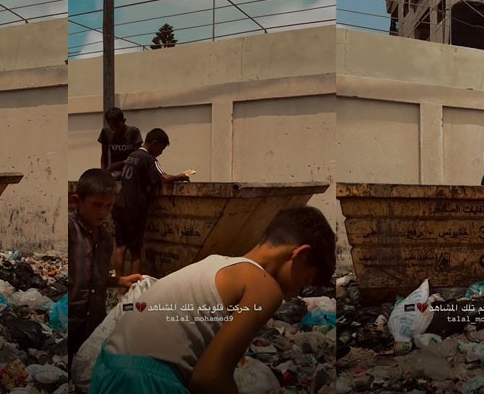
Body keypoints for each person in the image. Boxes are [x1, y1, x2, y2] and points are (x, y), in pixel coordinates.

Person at [90, 206, 337, 394]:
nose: (295, 293)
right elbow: (208, 378)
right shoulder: (264, 286)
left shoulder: (217, 263)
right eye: (305, 281)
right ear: (301, 254)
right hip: (145, 382)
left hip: (106, 369)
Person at [69, 168, 143, 374]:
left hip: (93, 323)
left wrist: (120, 281)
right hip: (70, 321)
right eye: (96, 205)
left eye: (108, 205)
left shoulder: (105, 237)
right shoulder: (70, 231)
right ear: (77, 201)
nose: (103, 212)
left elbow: (95, 279)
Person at [112, 128, 189, 279]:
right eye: (161, 148)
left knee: (120, 247)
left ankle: (119, 285)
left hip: (119, 205)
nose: (160, 153)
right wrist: (181, 176)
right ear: (154, 143)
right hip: (134, 209)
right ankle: (134, 286)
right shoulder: (149, 159)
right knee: (136, 252)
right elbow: (164, 178)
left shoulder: (132, 156)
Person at [98, 108, 143, 178]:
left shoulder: (133, 132)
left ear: (124, 121)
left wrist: (120, 164)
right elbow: (104, 155)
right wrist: (104, 173)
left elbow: (138, 156)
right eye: (111, 127)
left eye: (118, 126)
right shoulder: (106, 132)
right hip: (114, 172)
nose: (115, 129)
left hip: (131, 170)